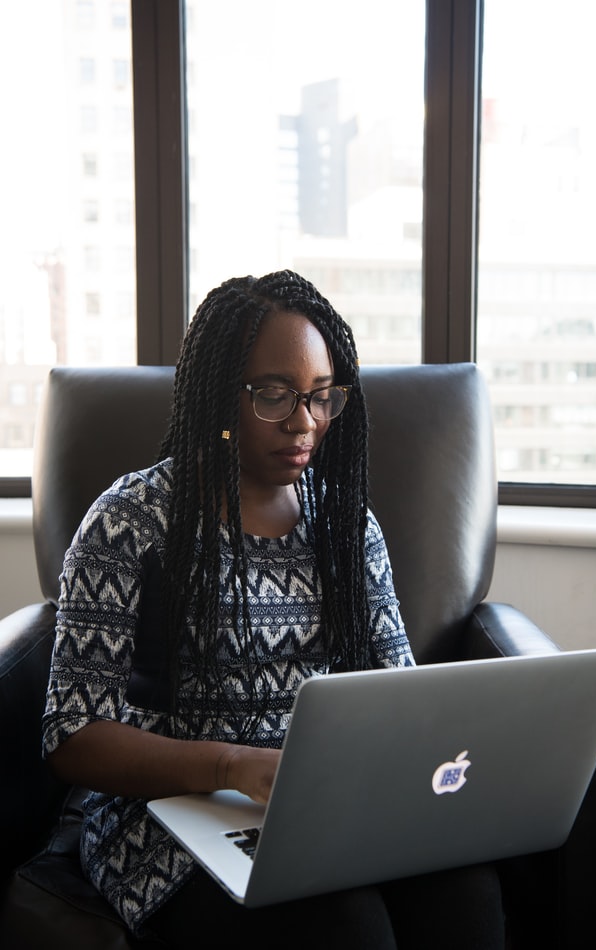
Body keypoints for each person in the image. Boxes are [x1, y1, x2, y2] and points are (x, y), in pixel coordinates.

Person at [43, 270, 504, 948]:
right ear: (218, 394)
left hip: (324, 805)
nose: (304, 421)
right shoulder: (130, 522)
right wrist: (234, 766)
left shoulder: (345, 526)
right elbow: (73, 733)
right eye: (275, 395)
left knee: (465, 893)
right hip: (170, 819)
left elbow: (400, 691)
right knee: (344, 926)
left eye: (321, 396)